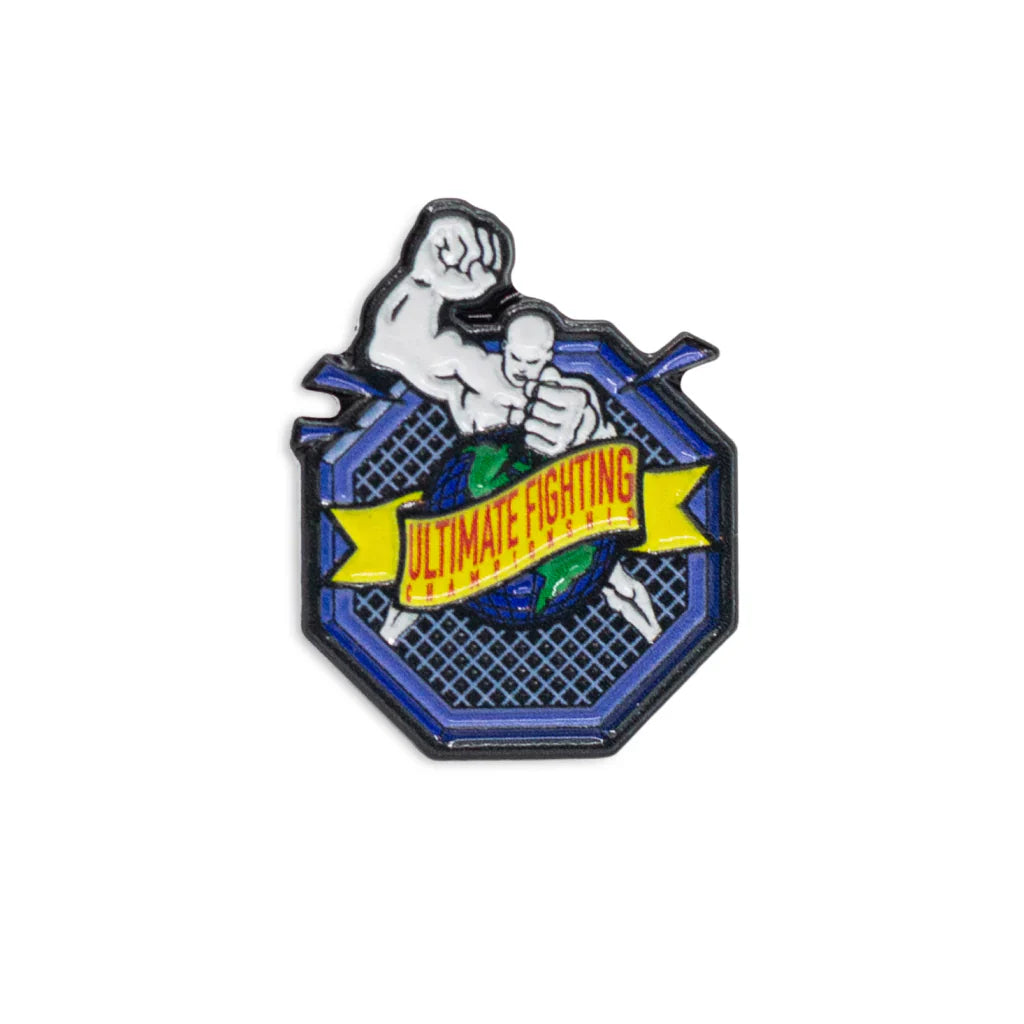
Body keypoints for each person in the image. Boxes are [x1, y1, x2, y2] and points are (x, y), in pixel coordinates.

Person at [362, 209, 660, 644]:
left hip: (554, 515)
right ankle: (384, 644)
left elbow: (596, 432)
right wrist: (425, 279)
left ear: (550, 355)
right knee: (415, 590)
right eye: (516, 357)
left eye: (534, 361)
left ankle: (656, 637)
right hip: (475, 519)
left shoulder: (567, 392)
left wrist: (588, 426)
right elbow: (388, 348)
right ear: (504, 346)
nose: (523, 370)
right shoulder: (475, 373)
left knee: (616, 581)